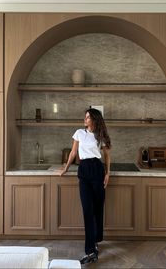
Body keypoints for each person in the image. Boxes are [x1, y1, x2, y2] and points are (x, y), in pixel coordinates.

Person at [59, 108, 111, 264]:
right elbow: (74, 153)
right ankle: (90, 251)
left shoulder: (101, 136)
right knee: (87, 211)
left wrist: (108, 173)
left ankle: (95, 240)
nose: (85, 119)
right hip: (84, 171)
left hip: (97, 170)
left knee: (97, 209)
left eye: (88, 117)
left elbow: (107, 156)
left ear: (95, 119)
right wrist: (66, 168)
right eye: (85, 117)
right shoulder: (79, 133)